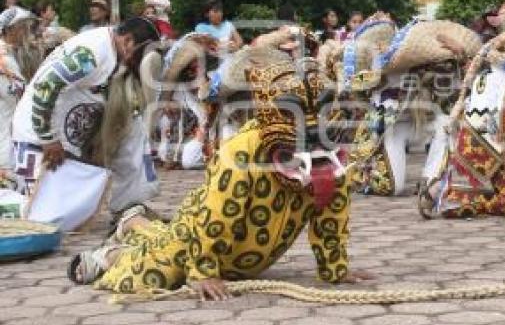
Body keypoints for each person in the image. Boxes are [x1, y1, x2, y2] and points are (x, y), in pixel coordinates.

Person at [68, 59, 372, 299]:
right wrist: (202, 271)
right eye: (291, 112)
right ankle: (110, 256)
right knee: (157, 274)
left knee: (166, 240)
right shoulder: (240, 154)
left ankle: (133, 221)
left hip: (246, 262)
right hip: (201, 236)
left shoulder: (331, 158)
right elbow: (216, 218)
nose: (311, 126)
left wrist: (335, 269)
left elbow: (331, 214)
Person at [11, 18, 161, 212]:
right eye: (141, 54)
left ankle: (129, 206)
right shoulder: (92, 53)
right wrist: (47, 137)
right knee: (38, 213)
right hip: (36, 137)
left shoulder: (114, 54)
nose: (139, 61)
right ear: (128, 41)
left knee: (134, 128)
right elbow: (46, 86)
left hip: (64, 143)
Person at [0, 7, 42, 173]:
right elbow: (21, 100)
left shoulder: (8, 56)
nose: (27, 32)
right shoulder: (4, 61)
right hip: (6, 145)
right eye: (24, 27)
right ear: (12, 30)